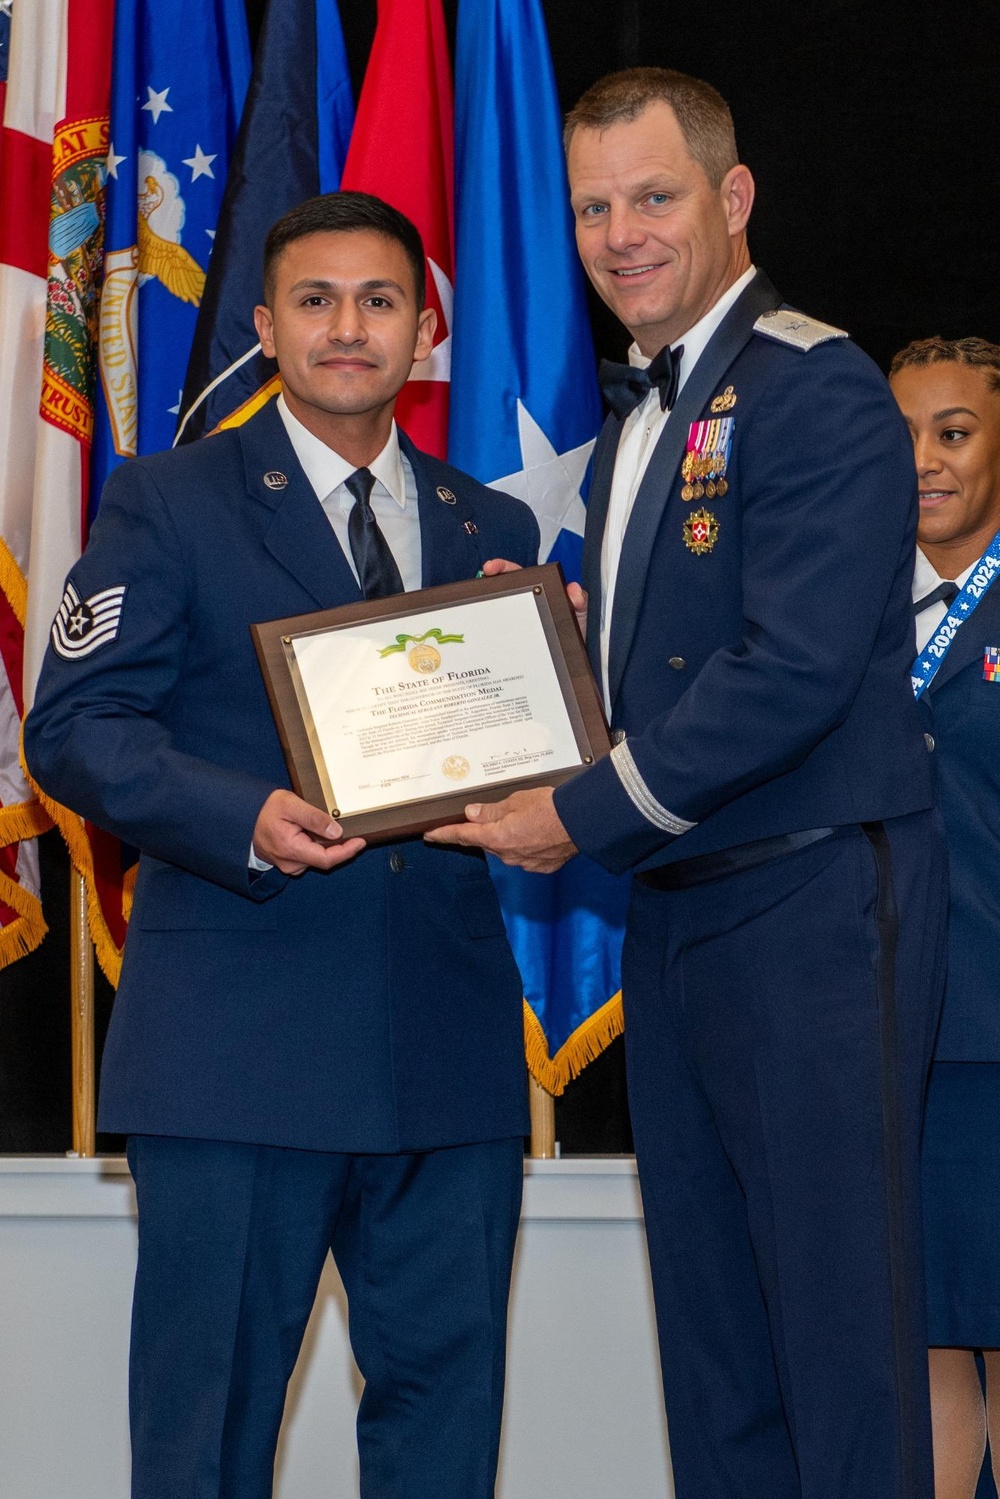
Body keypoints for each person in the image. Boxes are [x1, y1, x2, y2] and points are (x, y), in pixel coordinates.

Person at [427, 67, 948, 1499]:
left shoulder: (817, 385)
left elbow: (793, 669)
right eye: (594, 207)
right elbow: (679, 666)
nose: (619, 235)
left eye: (652, 198)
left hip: (813, 906)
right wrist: (547, 652)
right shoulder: (653, 406)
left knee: (837, 1339)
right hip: (685, 911)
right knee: (715, 1342)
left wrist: (576, 811)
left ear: (732, 200)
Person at [24, 191, 539, 1499]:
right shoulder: (173, 500)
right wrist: (235, 811)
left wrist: (550, 758)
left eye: (379, 300)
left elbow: (523, 761)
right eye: (316, 301)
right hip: (237, 1049)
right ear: (266, 327)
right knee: (211, 1434)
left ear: (426, 328)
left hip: (447, 1051)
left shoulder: (498, 532)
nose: (349, 328)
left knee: (445, 1424)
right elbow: (76, 727)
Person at [890, 337, 1000, 1499]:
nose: (922, 459)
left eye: (953, 431)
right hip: (880, 1039)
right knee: (912, 1349)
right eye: (902, 434)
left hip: (994, 1039)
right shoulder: (845, 605)